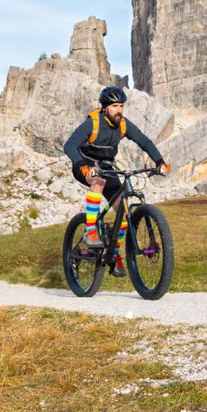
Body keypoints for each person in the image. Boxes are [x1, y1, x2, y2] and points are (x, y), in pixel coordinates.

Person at [62, 86, 169, 276]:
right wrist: (82, 165)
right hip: (85, 165)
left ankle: (115, 253)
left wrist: (159, 161)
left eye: (121, 106)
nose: (119, 110)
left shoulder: (124, 125)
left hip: (107, 167)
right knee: (98, 181)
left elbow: (144, 141)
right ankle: (90, 231)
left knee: (123, 210)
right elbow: (70, 145)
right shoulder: (92, 123)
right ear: (105, 108)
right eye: (114, 106)